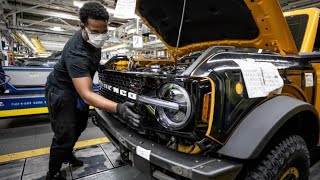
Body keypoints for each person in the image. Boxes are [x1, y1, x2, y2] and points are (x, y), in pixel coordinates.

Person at [45, 2, 141, 180]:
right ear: (82, 26)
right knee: (64, 133)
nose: (100, 36)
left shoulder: (92, 40)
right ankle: (53, 172)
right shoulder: (77, 53)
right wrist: (119, 108)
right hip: (61, 91)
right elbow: (87, 95)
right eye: (95, 32)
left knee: (79, 126)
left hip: (75, 89)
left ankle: (67, 153)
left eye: (104, 31)